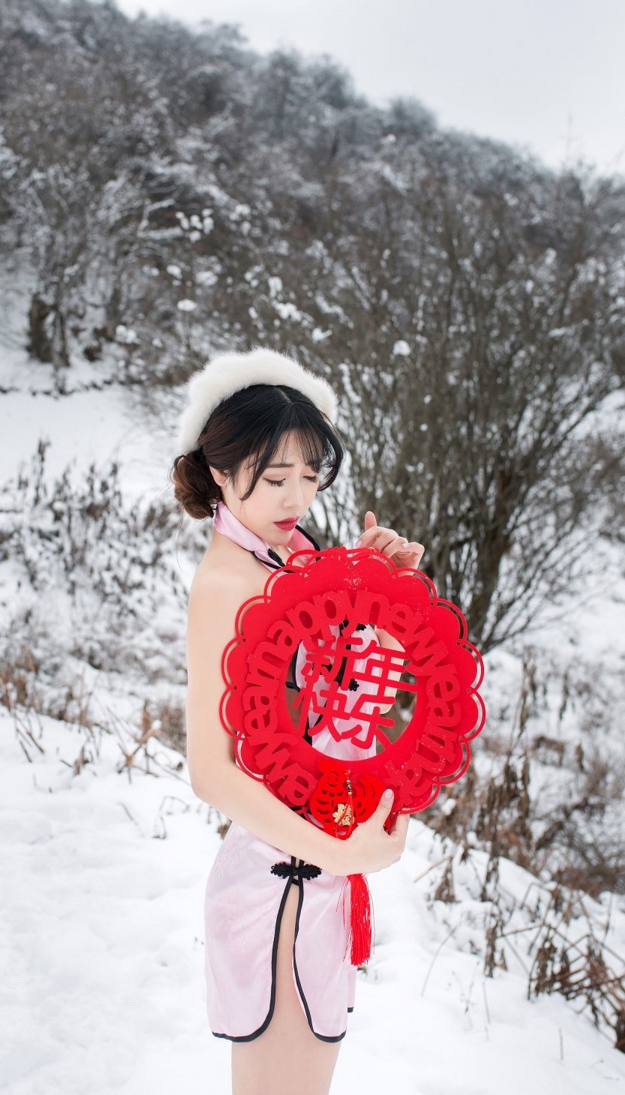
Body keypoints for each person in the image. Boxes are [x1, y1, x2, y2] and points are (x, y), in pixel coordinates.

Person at [172, 349, 424, 1095]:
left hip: (321, 868)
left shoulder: (300, 559)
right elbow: (210, 769)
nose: (296, 496)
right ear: (221, 470)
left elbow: (347, 713)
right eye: (275, 477)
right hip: (279, 878)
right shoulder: (226, 584)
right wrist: (338, 853)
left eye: (310, 476)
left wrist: (385, 596)